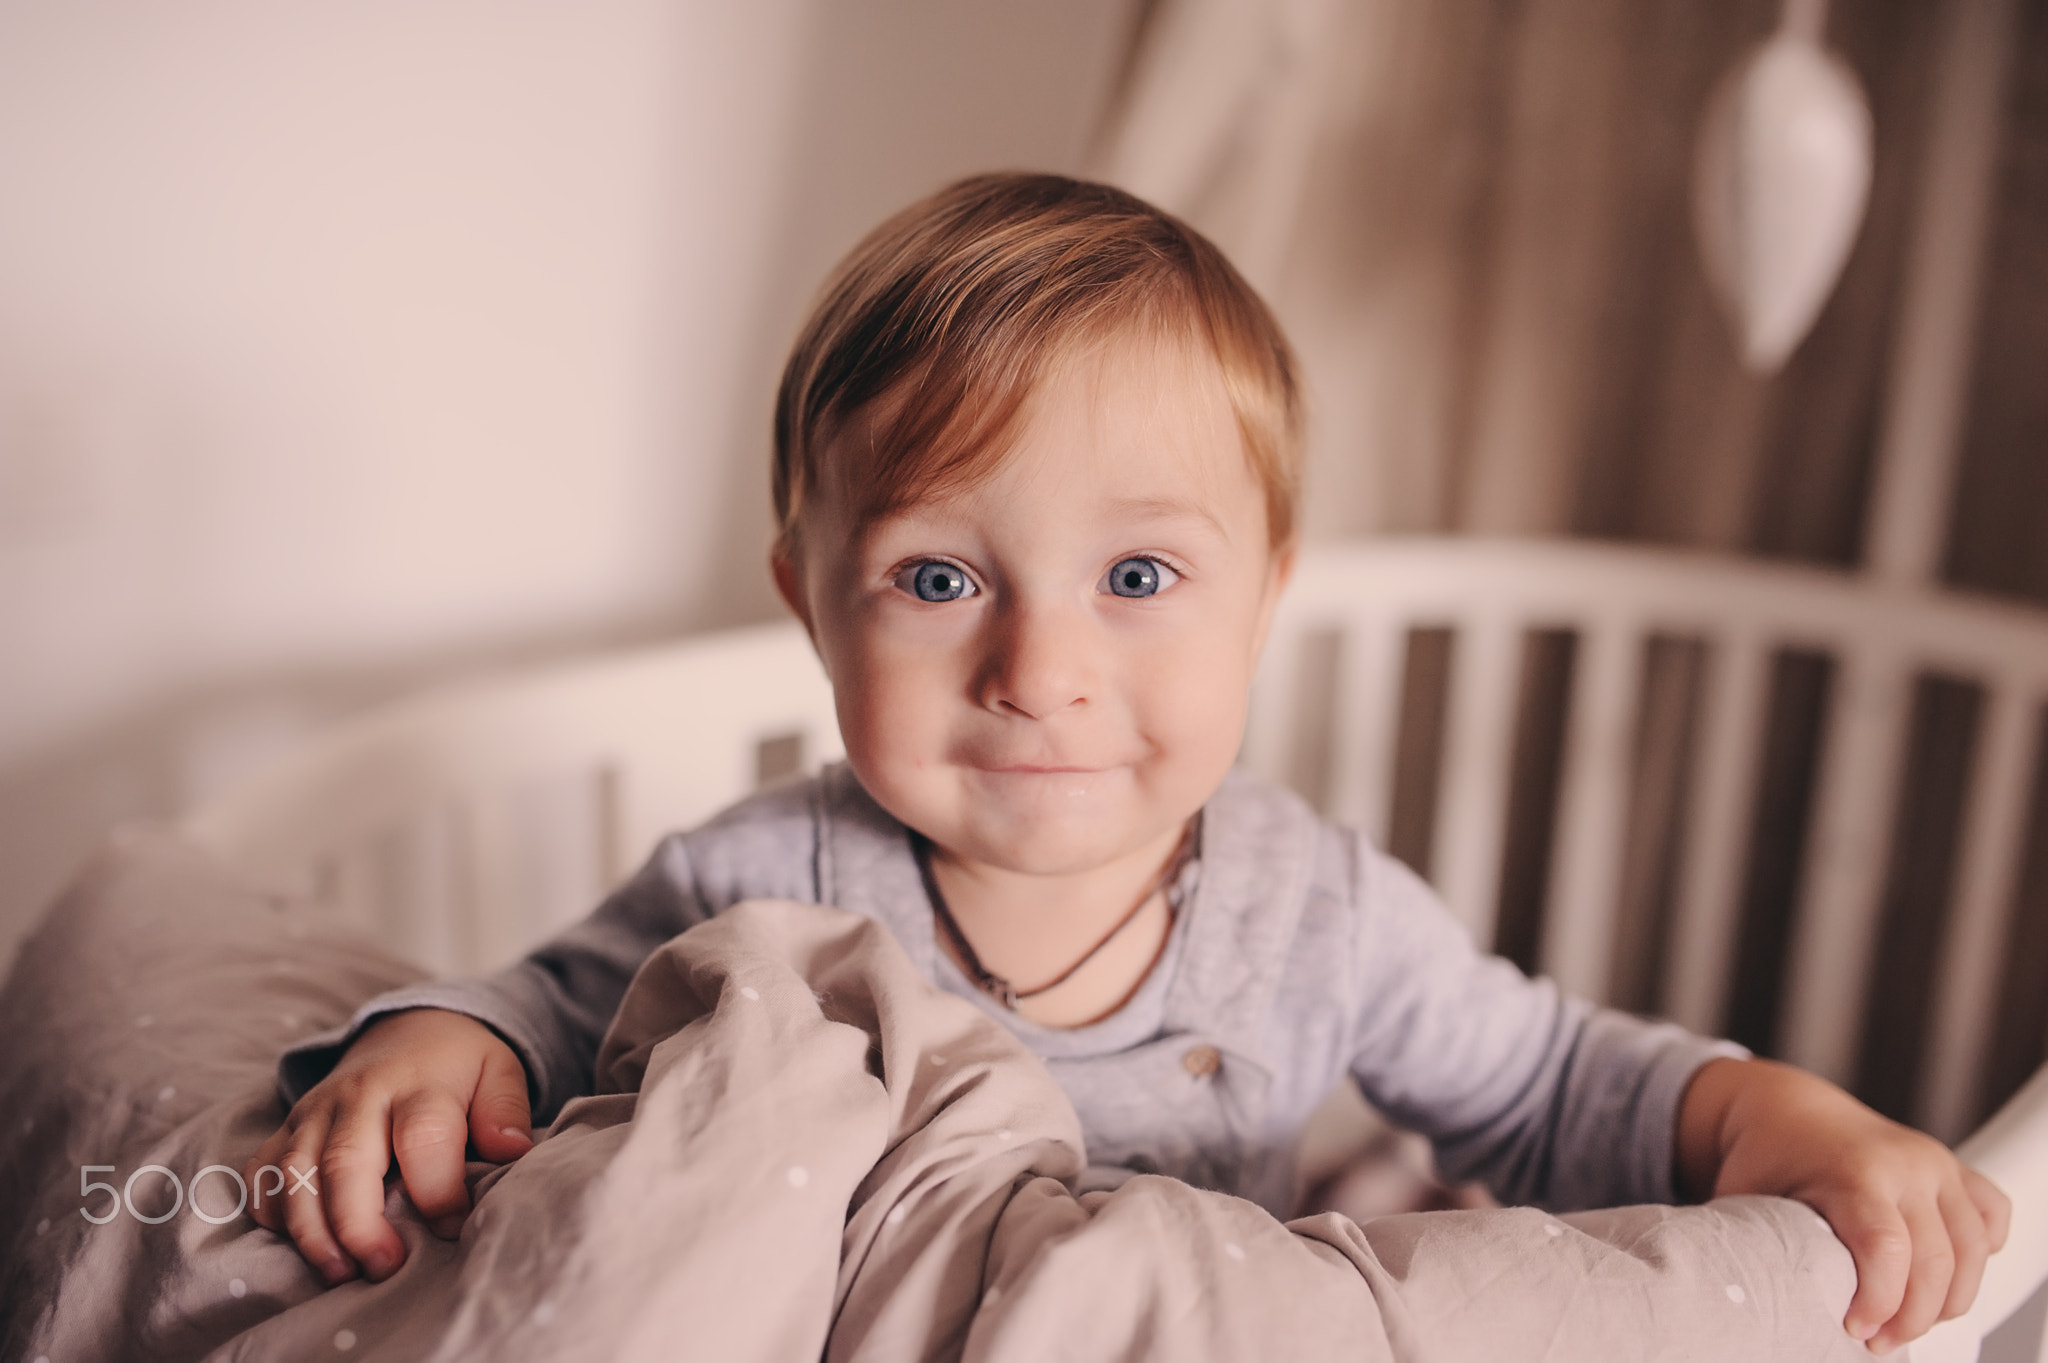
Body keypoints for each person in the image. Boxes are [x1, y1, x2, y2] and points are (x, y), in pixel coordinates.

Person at [246, 172, 2007, 1354]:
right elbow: (559, 1008)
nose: (1040, 672)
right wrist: (441, 1036)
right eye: (938, 580)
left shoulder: (1315, 914)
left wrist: (1779, 1111)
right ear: (810, 605)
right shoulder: (759, 884)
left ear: (1266, 601)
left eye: (1141, 578)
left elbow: (1552, 1091)